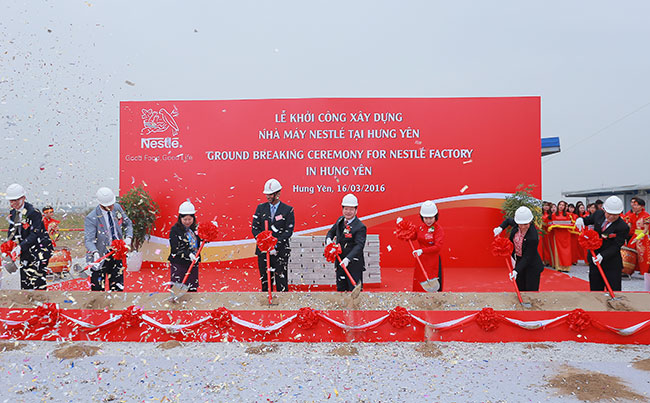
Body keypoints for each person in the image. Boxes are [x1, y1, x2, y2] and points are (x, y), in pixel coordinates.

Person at [575, 196, 629, 292]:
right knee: (595, 290)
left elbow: (616, 246)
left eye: (615, 215)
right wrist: (580, 220)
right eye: (609, 214)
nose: (611, 217)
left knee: (614, 290)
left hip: (611, 263)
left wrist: (602, 255)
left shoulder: (623, 227)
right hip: (594, 258)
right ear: (604, 210)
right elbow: (587, 220)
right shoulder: (598, 214)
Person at [5, 184, 53, 290]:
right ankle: (27, 298)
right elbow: (12, 232)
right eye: (11, 201)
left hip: (40, 249)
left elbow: (35, 234)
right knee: (25, 280)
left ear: (23, 198)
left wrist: (20, 247)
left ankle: (40, 299)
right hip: (25, 249)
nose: (13, 203)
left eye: (16, 200)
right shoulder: (13, 213)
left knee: (37, 280)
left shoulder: (33, 212)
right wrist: (9, 246)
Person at [84, 187, 133, 291]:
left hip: (116, 253)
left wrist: (128, 237)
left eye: (112, 204)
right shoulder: (92, 218)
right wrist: (94, 252)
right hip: (100, 256)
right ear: (101, 204)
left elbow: (128, 223)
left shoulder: (117, 208)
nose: (111, 207)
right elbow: (89, 240)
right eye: (108, 206)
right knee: (98, 290)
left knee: (117, 288)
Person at [251, 178, 295, 292]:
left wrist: (275, 245)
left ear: (278, 194)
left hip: (280, 252)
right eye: (267, 194)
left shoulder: (288, 210)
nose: (268, 197)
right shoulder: (261, 208)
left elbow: (288, 231)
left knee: (281, 282)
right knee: (265, 281)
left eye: (270, 194)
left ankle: (283, 302)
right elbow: (255, 228)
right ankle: (266, 302)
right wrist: (265, 244)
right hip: (263, 252)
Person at [493, 206, 544, 291]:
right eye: (520, 224)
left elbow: (527, 257)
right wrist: (500, 228)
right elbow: (508, 221)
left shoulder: (533, 237)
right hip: (520, 261)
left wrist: (516, 270)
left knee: (530, 291)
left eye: (525, 224)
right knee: (520, 288)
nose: (523, 227)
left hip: (532, 265)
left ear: (530, 221)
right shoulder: (517, 223)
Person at [326, 194, 367, 292]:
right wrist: (329, 241)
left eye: (351, 209)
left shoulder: (360, 227)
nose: (348, 212)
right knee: (341, 290)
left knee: (354, 292)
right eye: (346, 209)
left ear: (356, 210)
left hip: (353, 264)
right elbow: (331, 232)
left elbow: (359, 246)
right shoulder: (340, 220)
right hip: (340, 262)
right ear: (342, 209)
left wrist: (348, 259)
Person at [168, 201, 201, 292]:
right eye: (185, 219)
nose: (187, 222)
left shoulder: (196, 228)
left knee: (192, 288)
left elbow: (202, 240)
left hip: (193, 263)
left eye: (190, 219)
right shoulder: (175, 230)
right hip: (179, 264)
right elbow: (175, 248)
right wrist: (188, 254)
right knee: (178, 289)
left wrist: (209, 232)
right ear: (180, 218)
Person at [411, 200, 444, 292]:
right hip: (421, 260)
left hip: (433, 261)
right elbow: (412, 237)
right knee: (419, 283)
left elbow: (438, 247)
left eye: (431, 218)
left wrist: (422, 251)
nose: (428, 221)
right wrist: (403, 229)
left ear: (435, 216)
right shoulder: (420, 228)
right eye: (426, 218)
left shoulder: (438, 230)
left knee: (433, 285)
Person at [626, 197, 650, 283]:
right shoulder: (632, 215)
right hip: (635, 236)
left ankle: (644, 272)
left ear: (642, 206)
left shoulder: (646, 216)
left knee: (642, 254)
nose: (634, 206)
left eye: (636, 205)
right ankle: (628, 270)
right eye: (634, 205)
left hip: (643, 237)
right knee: (629, 251)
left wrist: (638, 238)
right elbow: (628, 227)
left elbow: (646, 230)